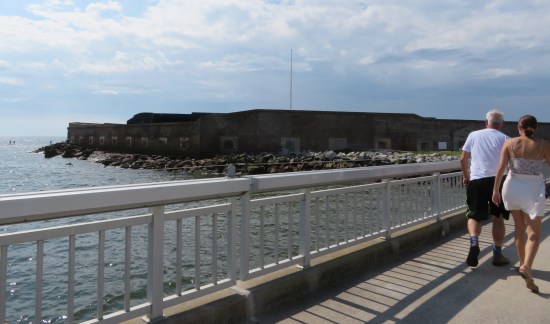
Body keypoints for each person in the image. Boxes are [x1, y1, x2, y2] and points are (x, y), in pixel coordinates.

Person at [492, 115, 550, 293]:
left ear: (519, 127)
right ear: (535, 128)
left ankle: (523, 264)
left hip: (512, 187)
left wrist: (495, 190)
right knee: (533, 233)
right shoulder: (543, 144)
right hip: (533, 189)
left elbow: (501, 168)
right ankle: (526, 266)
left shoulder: (509, 143)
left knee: (519, 229)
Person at [460, 109, 510, 268]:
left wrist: (466, 176)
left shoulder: (473, 135)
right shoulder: (507, 139)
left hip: (477, 180)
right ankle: (497, 254)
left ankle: (474, 242)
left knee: (474, 216)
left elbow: (463, 159)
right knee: (498, 217)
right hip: (500, 181)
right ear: (501, 124)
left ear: (486, 122)